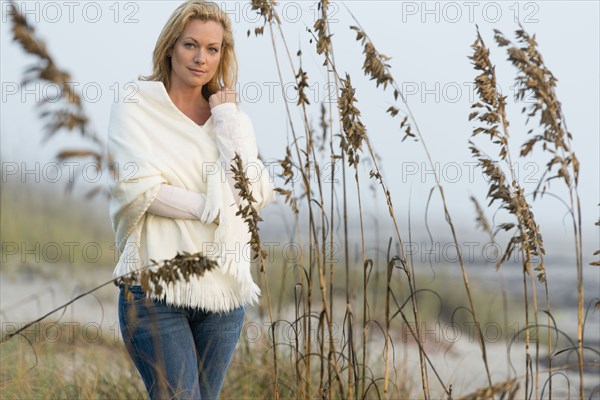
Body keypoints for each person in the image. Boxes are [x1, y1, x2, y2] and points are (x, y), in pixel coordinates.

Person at [105, 1, 275, 398]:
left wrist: (228, 119)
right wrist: (214, 208)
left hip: (223, 293)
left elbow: (254, 194)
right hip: (154, 290)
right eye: (190, 45)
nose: (201, 58)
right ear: (170, 47)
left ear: (223, 55)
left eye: (213, 49)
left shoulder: (231, 120)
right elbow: (142, 189)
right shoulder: (136, 104)